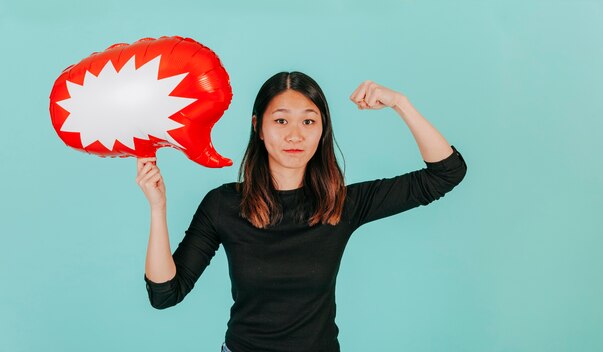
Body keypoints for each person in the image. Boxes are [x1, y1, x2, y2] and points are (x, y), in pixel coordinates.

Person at [136, 71, 467, 352]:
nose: (295, 135)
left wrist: (400, 103)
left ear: (322, 129)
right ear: (258, 127)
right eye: (281, 120)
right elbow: (166, 293)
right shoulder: (223, 204)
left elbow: (446, 173)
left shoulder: (342, 204)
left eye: (309, 121)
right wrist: (157, 208)